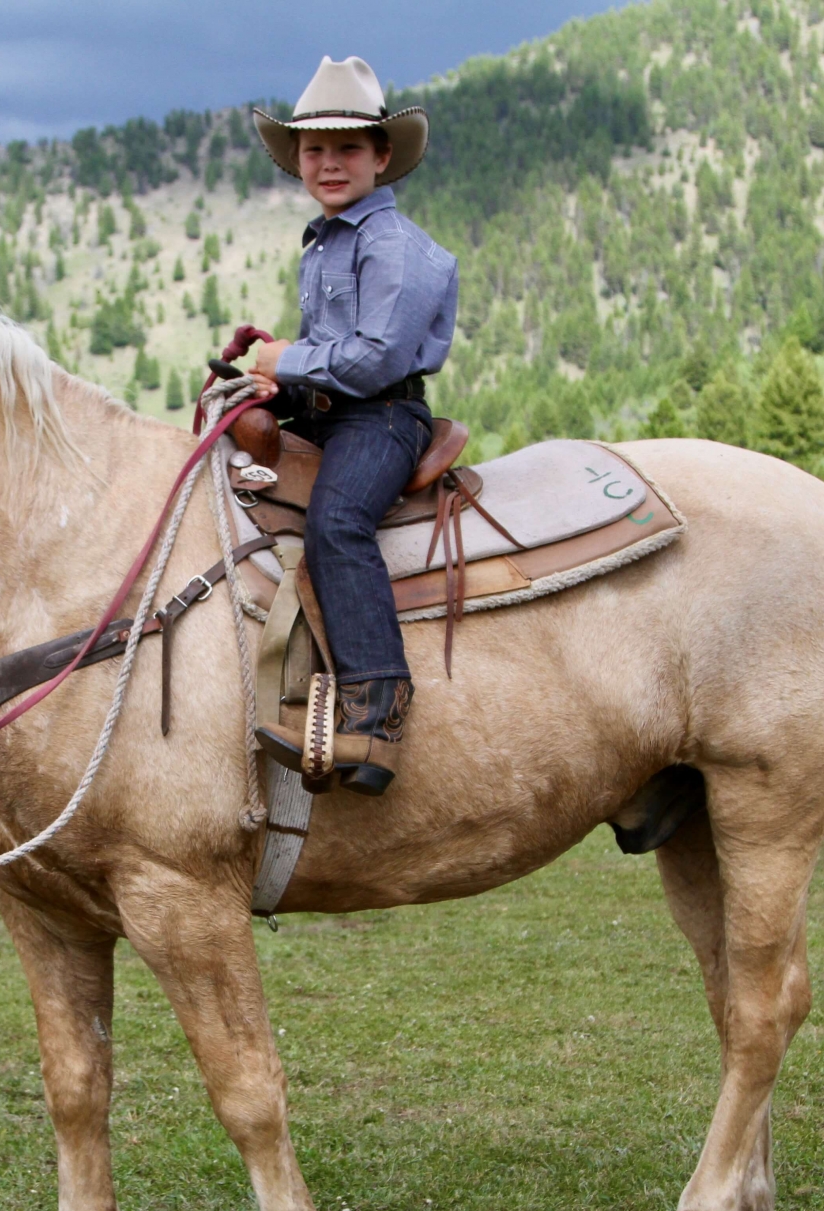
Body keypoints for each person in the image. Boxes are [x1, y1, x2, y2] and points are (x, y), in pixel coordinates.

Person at [244, 56, 458, 797]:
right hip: (328, 412)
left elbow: (372, 360)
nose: (329, 164)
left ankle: (378, 710)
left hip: (383, 416)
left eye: (348, 149)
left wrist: (288, 357)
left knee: (337, 521)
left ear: (382, 156)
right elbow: (327, 356)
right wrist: (270, 379)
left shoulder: (396, 246)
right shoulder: (328, 239)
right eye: (314, 150)